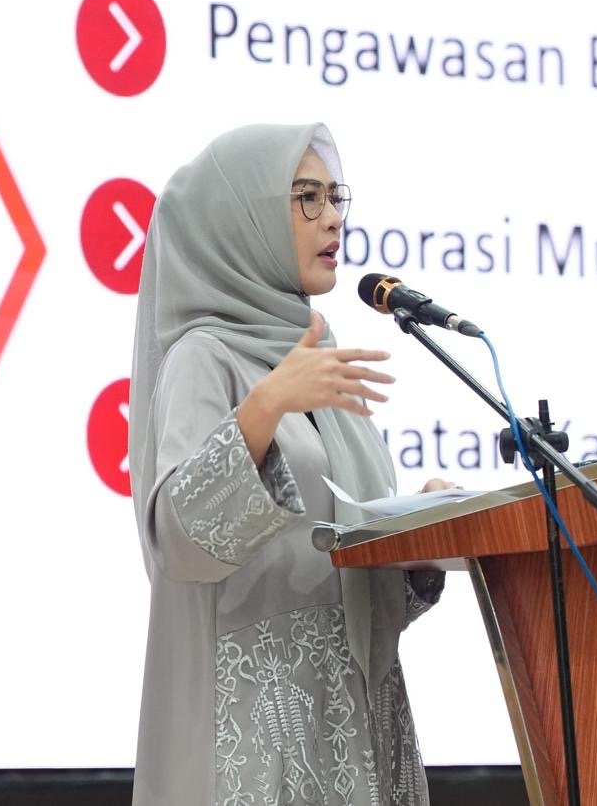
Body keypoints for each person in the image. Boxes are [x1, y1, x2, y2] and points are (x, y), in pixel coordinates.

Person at [128, 123, 446, 806]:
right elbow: (180, 540)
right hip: (261, 743)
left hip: (356, 727)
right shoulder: (204, 357)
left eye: (334, 197)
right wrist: (267, 403)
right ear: (240, 222)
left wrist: (420, 535)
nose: (332, 218)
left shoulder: (316, 356)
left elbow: (346, 582)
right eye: (306, 198)